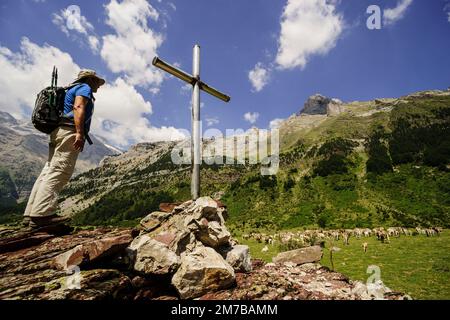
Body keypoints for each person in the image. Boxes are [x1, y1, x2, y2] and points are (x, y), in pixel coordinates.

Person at [23, 70, 105, 228]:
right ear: (89, 79)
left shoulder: (69, 89)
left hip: (57, 132)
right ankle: (42, 215)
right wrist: (80, 133)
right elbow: (79, 106)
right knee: (60, 170)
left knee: (48, 170)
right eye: (96, 81)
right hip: (69, 131)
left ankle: (30, 214)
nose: (98, 86)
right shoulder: (84, 88)